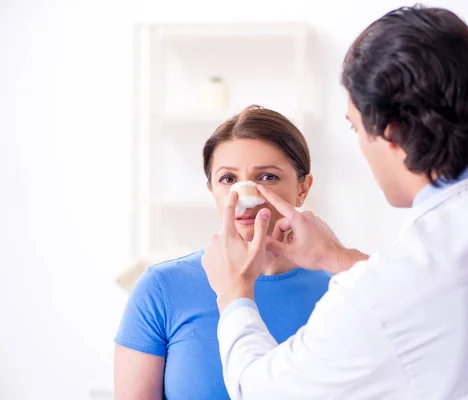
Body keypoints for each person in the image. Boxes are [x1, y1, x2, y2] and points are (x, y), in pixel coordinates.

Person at [201, 5, 468, 400]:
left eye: (355, 128)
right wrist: (337, 257)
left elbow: (260, 389)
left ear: (389, 132)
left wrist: (234, 293)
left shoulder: (377, 298)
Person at [113, 105, 331, 399]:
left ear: (303, 188)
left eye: (267, 177)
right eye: (228, 179)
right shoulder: (160, 289)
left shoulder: (341, 288)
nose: (245, 196)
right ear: (212, 190)